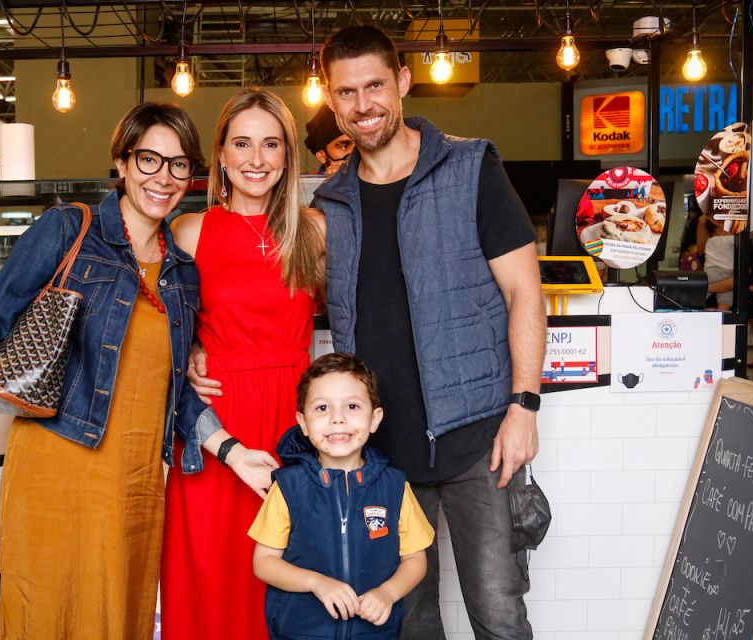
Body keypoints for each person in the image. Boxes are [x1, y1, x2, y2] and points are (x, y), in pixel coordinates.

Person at [0, 102, 274, 639]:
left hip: (138, 483)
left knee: (118, 619)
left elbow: (175, 391)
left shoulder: (181, 273)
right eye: (149, 160)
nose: (162, 178)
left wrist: (235, 453)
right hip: (57, 468)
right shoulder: (69, 230)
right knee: (46, 615)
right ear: (121, 163)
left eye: (177, 165)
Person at [313, 25, 547, 639]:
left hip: (479, 443)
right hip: (384, 456)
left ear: (403, 83)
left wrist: (524, 405)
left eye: (375, 86)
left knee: (498, 616)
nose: (363, 106)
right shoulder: (330, 203)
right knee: (408, 623)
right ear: (330, 100)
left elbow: (526, 290)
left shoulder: (471, 167)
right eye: (347, 93)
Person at [161, 88, 325, 640]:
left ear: (287, 156)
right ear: (222, 155)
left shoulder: (314, 230)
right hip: (216, 425)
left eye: (271, 144)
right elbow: (159, 326)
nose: (256, 159)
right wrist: (185, 355)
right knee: (211, 574)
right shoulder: (190, 231)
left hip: (292, 422)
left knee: (286, 574)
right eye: (242, 144)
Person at [250, 353, 434, 639]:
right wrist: (315, 582)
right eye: (322, 408)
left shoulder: (395, 487)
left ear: (374, 419)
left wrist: (388, 593)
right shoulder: (288, 487)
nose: (337, 418)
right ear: (303, 422)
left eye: (352, 406)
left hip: (374, 632)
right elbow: (264, 562)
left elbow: (415, 560)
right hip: (301, 631)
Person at [305, 104, 355, 176]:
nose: (355, 152)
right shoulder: (309, 186)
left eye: (360, 145)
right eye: (344, 146)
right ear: (321, 156)